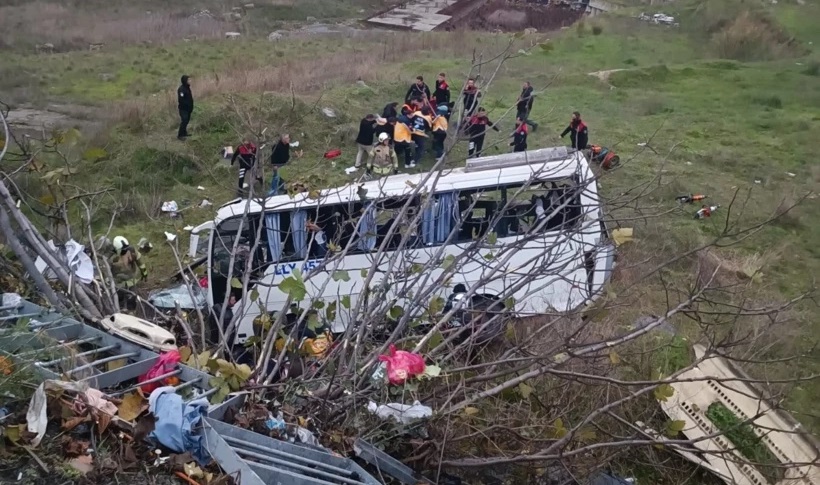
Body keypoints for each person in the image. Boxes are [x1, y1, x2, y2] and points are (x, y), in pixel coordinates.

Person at [177, 75, 193, 140]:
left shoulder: (187, 88)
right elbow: (181, 99)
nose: (190, 81)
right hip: (183, 109)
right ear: (185, 81)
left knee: (187, 121)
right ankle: (180, 135)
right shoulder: (181, 89)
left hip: (188, 108)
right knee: (184, 120)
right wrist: (186, 105)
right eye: (188, 80)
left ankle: (184, 133)